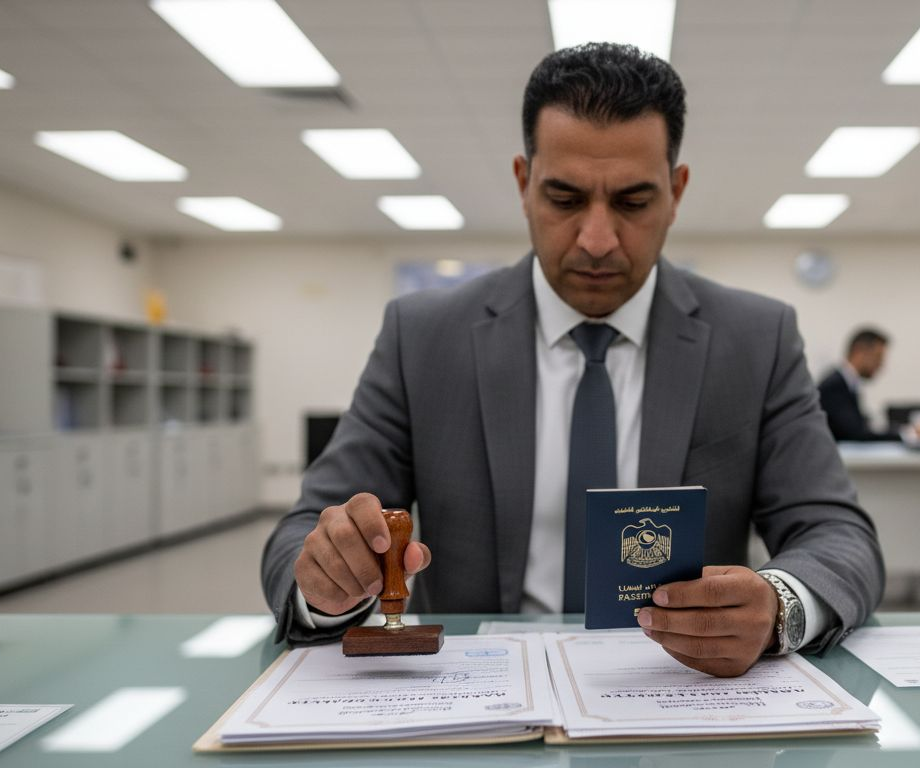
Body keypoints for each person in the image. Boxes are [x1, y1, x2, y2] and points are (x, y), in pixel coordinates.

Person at [261, 43, 884, 678]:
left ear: (677, 190)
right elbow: (304, 533)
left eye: (634, 203)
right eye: (563, 198)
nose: (597, 239)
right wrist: (328, 579)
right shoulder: (423, 338)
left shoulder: (754, 339)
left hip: (681, 692)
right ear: (523, 183)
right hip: (479, 698)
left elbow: (838, 535)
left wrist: (777, 607)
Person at [817, 328, 899, 442]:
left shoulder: (848, 384)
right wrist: (905, 435)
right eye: (878, 357)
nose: (881, 364)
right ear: (859, 352)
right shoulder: (834, 386)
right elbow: (856, 433)